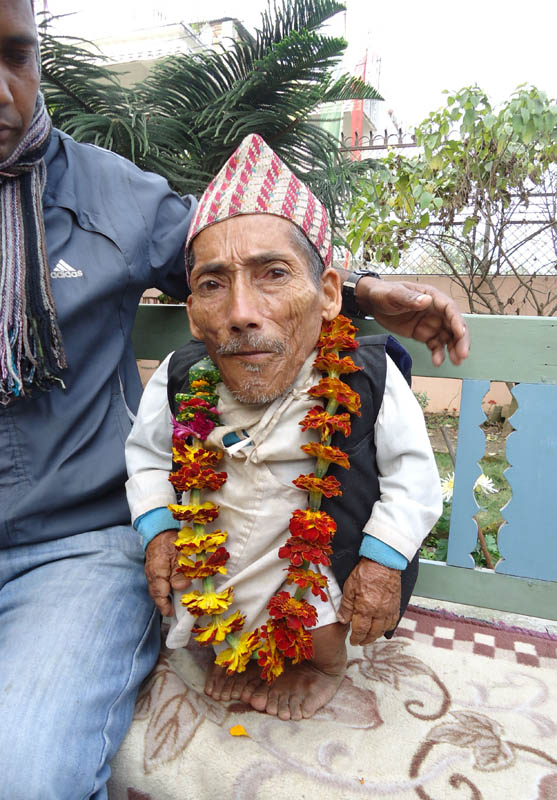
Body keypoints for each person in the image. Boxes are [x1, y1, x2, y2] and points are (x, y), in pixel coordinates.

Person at [0, 1, 469, 796]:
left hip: (70, 549)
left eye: (17, 54)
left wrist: (359, 290)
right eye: (207, 295)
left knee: (21, 772)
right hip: (210, 557)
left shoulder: (112, 198)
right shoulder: (186, 384)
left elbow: (244, 245)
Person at [125, 133, 442, 722]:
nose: (241, 312)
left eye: (273, 274)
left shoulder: (366, 377)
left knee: (317, 621)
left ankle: (321, 665)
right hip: (215, 556)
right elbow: (145, 461)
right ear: (192, 311)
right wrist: (162, 531)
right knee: (204, 619)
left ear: (326, 295)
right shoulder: (181, 377)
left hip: (314, 563)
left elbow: (414, 479)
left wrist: (380, 563)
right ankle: (229, 646)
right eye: (213, 283)